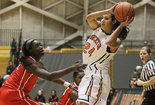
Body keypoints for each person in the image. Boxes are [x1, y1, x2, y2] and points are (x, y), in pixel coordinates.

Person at [76, 4, 134, 105]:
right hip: (89, 75)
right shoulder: (98, 29)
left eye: (106, 19)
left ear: (114, 21)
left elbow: (109, 43)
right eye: (102, 18)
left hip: (97, 76)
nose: (102, 21)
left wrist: (121, 25)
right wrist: (109, 10)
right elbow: (89, 17)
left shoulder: (117, 41)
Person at [0, 39, 87, 105]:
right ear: (30, 50)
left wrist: (69, 85)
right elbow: (50, 76)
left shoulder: (35, 63)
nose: (41, 47)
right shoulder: (30, 64)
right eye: (37, 45)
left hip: (7, 93)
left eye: (41, 45)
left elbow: (52, 78)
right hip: (13, 94)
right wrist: (72, 68)